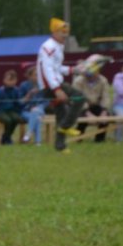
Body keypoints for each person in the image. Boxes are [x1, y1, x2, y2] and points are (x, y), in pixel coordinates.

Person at [37, 18, 85, 152]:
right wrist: (57, 89)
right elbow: (47, 69)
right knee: (80, 97)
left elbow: (56, 67)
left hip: (54, 82)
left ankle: (60, 146)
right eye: (62, 31)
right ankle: (66, 126)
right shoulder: (49, 47)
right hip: (51, 85)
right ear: (55, 32)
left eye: (67, 31)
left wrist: (73, 69)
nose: (66, 34)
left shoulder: (58, 46)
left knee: (61, 112)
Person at [73, 57, 112, 143]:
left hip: (96, 105)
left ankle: (99, 140)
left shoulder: (103, 80)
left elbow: (106, 96)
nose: (92, 74)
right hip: (81, 107)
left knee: (106, 117)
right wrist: (88, 113)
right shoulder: (78, 81)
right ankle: (78, 140)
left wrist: (104, 111)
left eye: (95, 71)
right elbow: (78, 99)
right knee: (83, 119)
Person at [0, 69, 26, 145]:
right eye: (9, 80)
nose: (11, 82)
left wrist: (19, 111)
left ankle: (6, 137)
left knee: (16, 119)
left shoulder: (16, 90)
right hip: (1, 111)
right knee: (8, 121)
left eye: (13, 80)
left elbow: (18, 102)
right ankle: (6, 138)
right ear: (4, 80)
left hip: (12, 111)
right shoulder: (1, 91)